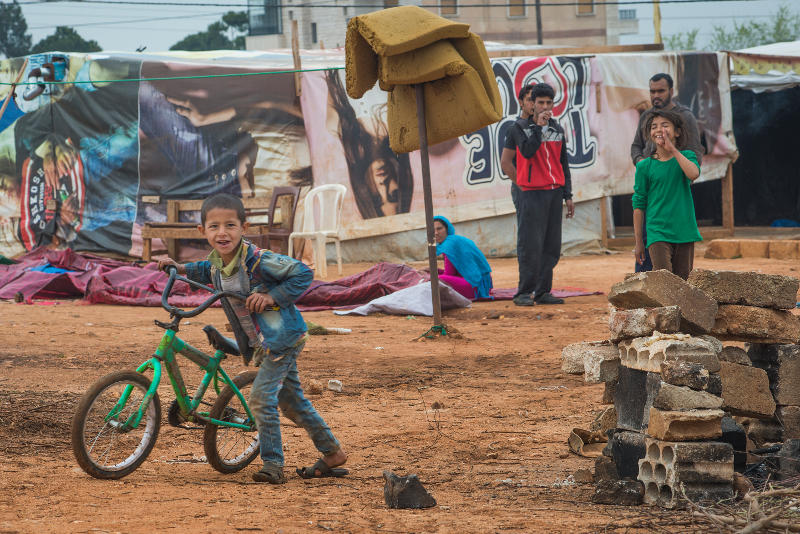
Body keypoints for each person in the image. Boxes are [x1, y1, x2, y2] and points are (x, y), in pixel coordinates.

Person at [158, 193, 348, 484]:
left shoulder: (259, 261)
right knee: (292, 403)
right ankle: (333, 453)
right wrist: (180, 267)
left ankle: (273, 464)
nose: (222, 233)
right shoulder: (217, 263)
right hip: (263, 342)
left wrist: (272, 296)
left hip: (282, 339)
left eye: (230, 225)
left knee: (260, 399)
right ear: (203, 231)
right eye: (214, 227)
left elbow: (302, 273)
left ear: (243, 227)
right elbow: (204, 270)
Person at [500, 82, 574, 306]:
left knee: (551, 245)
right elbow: (527, 152)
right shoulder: (520, 128)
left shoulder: (558, 130)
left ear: (554, 104)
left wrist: (568, 194)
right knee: (530, 244)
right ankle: (524, 292)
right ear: (532, 105)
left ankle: (543, 292)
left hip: (554, 193)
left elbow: (564, 164)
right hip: (532, 193)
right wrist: (539, 129)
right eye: (539, 102)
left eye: (548, 103)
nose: (544, 107)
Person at [630, 72, 704, 273]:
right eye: (652, 91)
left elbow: (696, 154)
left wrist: (676, 165)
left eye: (660, 91)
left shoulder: (685, 116)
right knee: (653, 267)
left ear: (671, 91)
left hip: (677, 186)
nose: (656, 95)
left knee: (681, 279)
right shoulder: (647, 116)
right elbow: (636, 147)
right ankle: (647, 301)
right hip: (653, 193)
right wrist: (643, 165)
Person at [432, 215, 493, 300]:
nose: (436, 233)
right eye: (433, 230)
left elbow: (448, 275)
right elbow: (455, 272)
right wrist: (435, 270)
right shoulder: (454, 240)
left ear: (447, 229)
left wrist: (432, 275)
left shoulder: (449, 244)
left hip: (475, 287)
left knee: (435, 280)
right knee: (433, 276)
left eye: (439, 229)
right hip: (484, 285)